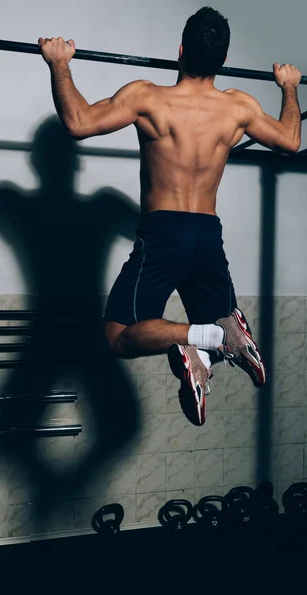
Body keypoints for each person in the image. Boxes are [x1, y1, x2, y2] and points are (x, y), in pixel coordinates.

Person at [38, 6, 302, 426]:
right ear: (223, 61)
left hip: (163, 230)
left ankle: (199, 338)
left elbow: (78, 121)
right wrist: (288, 87)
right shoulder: (239, 107)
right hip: (208, 235)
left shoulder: (147, 97)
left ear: (180, 50)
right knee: (219, 318)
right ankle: (211, 342)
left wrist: (59, 64)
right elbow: (290, 139)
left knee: (117, 336)